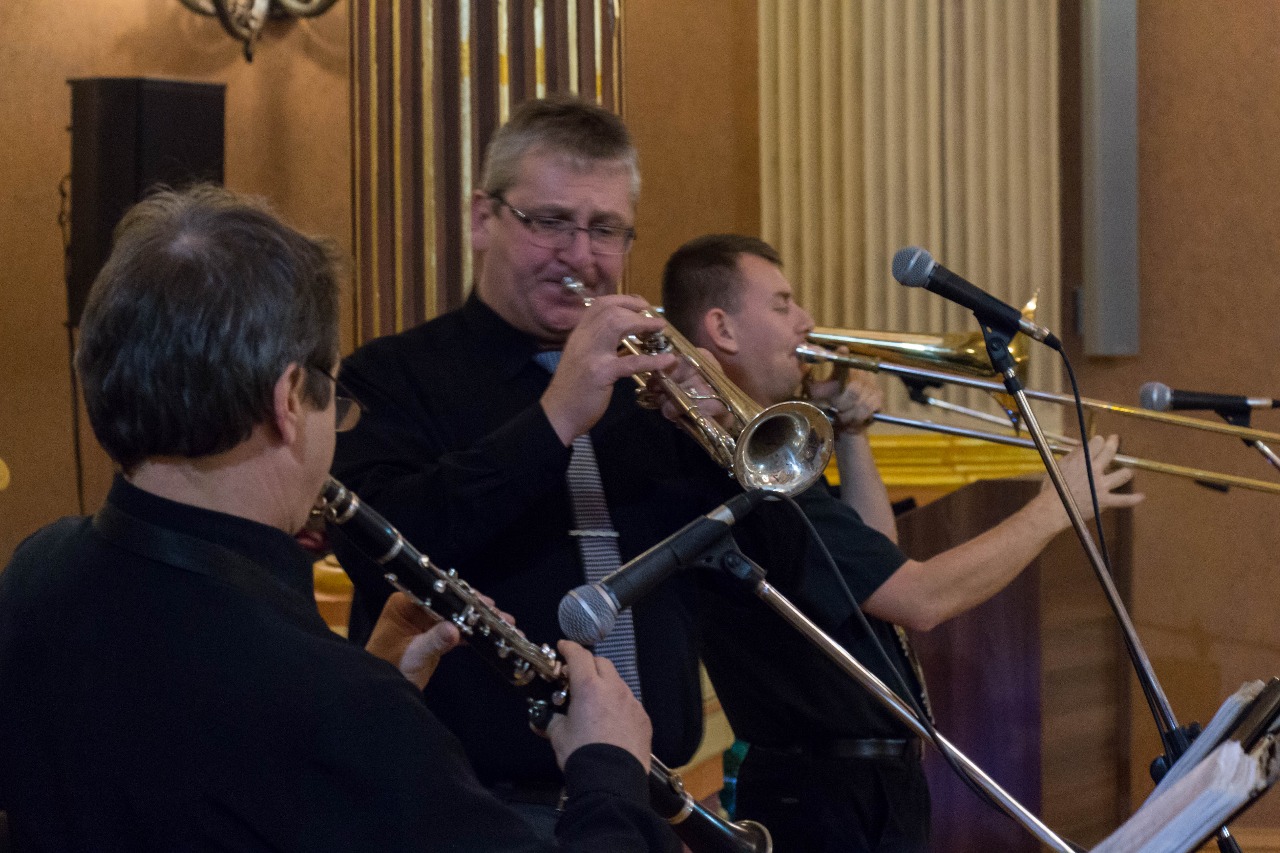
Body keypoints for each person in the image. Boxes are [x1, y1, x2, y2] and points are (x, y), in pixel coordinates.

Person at [0, 185, 678, 852]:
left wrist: (377, 678)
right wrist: (608, 769)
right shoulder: (336, 707)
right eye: (332, 392)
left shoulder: (37, 570)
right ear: (289, 400)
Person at [661, 233, 1145, 852]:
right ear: (722, 329)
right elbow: (919, 599)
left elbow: (877, 555)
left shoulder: (772, 453)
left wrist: (852, 434)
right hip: (818, 791)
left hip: (867, 780)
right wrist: (1054, 510)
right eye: (782, 304)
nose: (806, 321)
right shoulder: (746, 468)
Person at [330, 96, 736, 831]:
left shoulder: (652, 388)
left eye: (605, 229)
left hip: (658, 802)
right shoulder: (386, 376)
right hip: (475, 810)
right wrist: (555, 418)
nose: (580, 256)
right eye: (550, 221)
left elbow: (760, 577)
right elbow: (380, 552)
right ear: (482, 218)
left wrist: (725, 451)